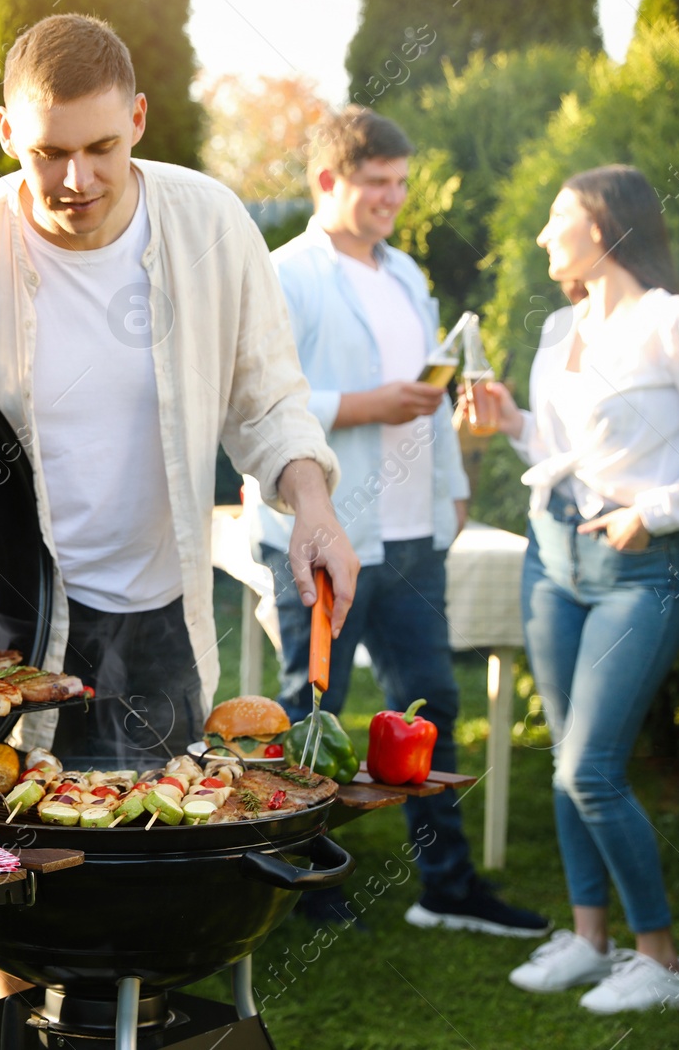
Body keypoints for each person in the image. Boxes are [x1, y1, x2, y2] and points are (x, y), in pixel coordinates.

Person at [0, 14, 358, 771]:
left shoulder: (212, 225)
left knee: (162, 838)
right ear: (4, 132)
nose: (77, 180)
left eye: (101, 148)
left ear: (138, 120)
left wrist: (313, 503)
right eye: (49, 153)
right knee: (17, 851)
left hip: (164, 615)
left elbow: (270, 400)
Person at [244, 106, 547, 936]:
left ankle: (444, 885)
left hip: (413, 533)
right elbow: (257, 401)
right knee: (316, 707)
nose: (393, 199)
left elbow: (429, 395)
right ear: (328, 180)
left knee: (432, 703)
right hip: (324, 528)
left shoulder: (408, 274)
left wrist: (450, 487)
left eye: (401, 183)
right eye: (378, 183)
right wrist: (365, 404)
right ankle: (305, 877)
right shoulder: (285, 274)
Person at [482, 164, 679, 1013]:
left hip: (638, 568)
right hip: (552, 557)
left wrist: (654, 512)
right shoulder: (561, 328)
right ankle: (591, 940)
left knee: (591, 768)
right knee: (564, 764)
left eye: (555, 217)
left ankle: (663, 962)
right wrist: (510, 422)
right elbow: (560, 451)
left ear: (602, 225)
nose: (540, 235)